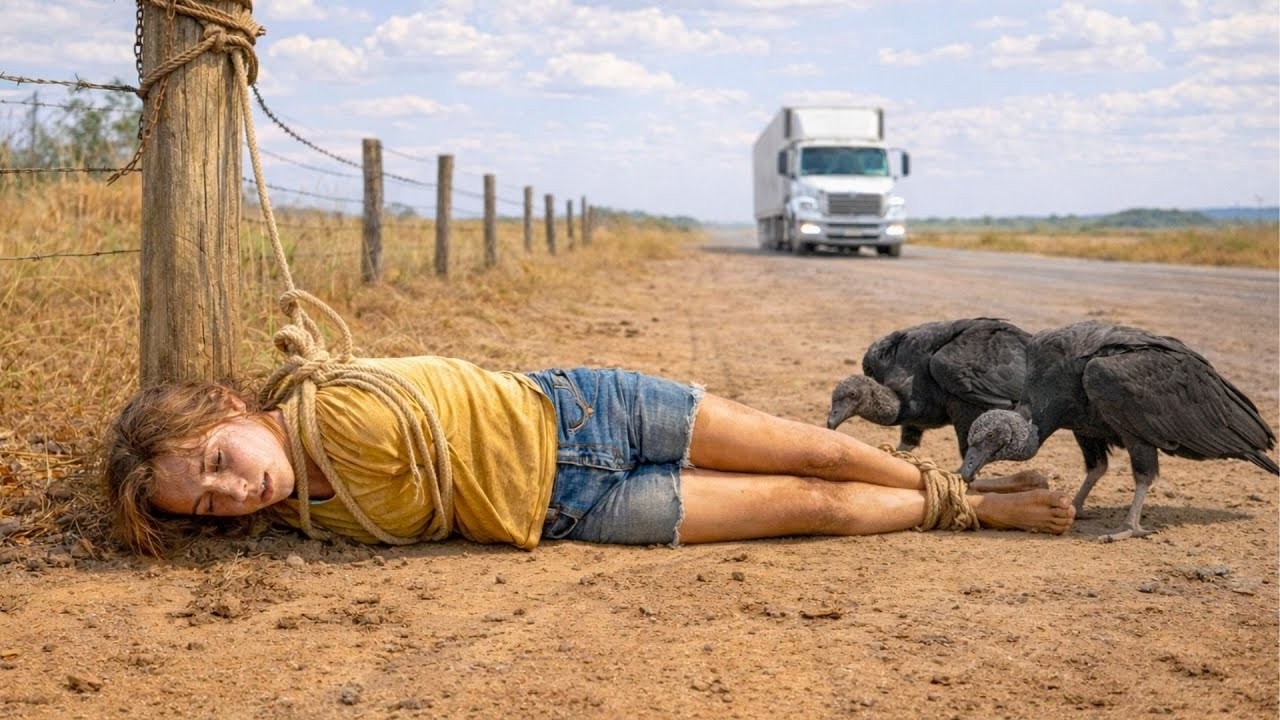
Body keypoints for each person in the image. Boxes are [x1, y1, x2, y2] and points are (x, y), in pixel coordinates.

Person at [103, 357, 1076, 555]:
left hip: (577, 410)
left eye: (217, 462)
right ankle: (973, 510)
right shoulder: (309, 514)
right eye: (207, 509)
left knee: (821, 451)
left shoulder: (343, 397)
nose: (233, 494)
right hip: (567, 514)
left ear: (230, 407)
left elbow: (397, 433)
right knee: (805, 508)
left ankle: (946, 485)